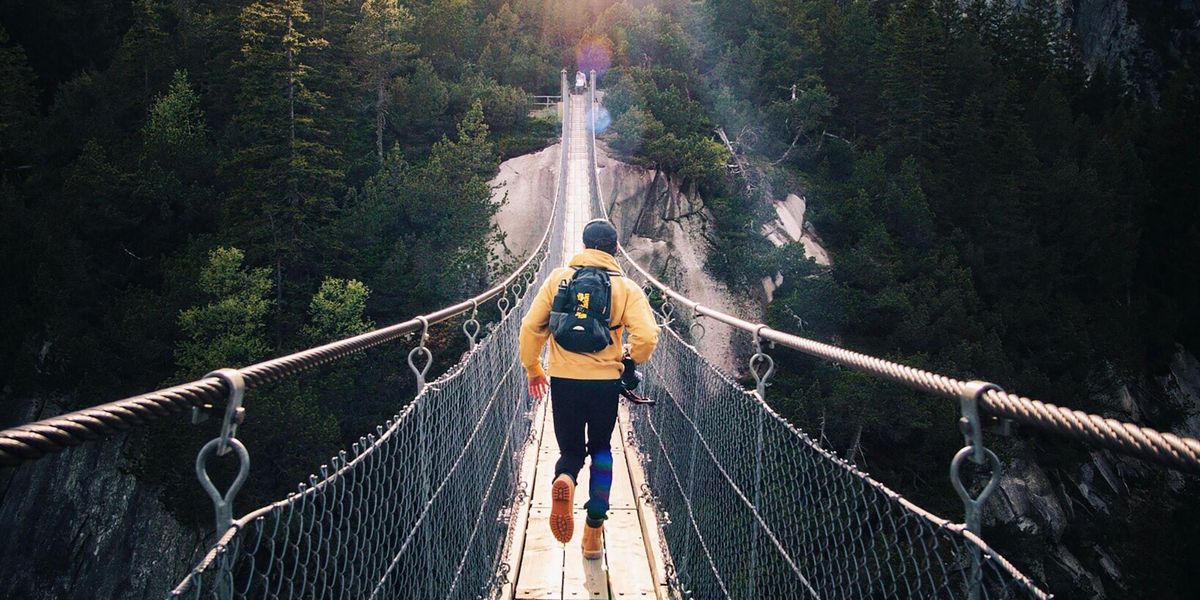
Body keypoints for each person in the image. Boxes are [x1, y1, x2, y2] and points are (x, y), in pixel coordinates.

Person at [518, 219, 659, 559]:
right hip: (604, 385)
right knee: (601, 451)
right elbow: (647, 337)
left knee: (570, 450)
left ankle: (565, 477)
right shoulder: (626, 288)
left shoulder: (558, 279)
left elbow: (530, 327)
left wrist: (534, 368)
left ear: (582, 246)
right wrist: (628, 358)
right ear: (616, 249)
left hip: (564, 381)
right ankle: (593, 532)